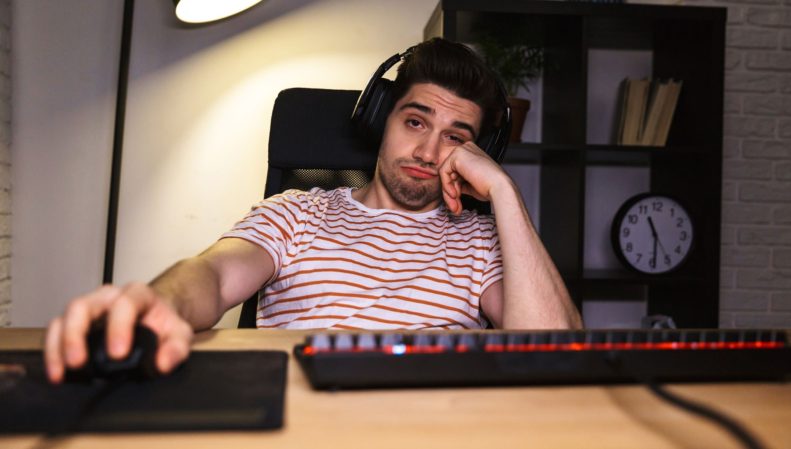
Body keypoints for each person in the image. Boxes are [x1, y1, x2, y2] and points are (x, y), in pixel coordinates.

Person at [44, 38, 582, 384]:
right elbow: (211, 274)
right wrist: (161, 302)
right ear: (379, 119)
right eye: (415, 122)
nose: (427, 152)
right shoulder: (297, 211)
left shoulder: (477, 241)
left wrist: (503, 192)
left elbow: (557, 348)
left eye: (454, 139)